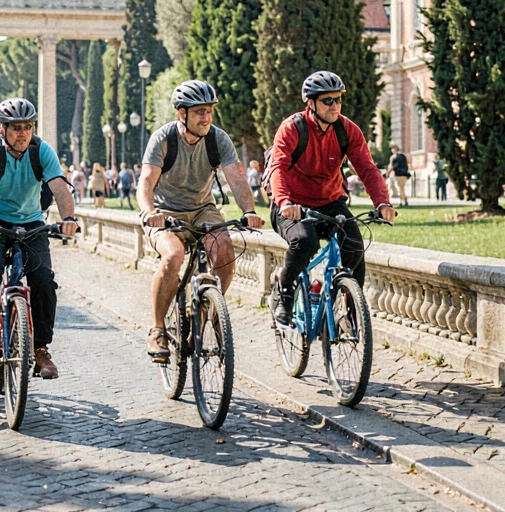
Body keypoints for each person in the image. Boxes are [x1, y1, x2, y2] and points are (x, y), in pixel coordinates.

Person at [139, 80, 264, 361]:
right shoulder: (163, 138)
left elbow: (236, 177)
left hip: (202, 209)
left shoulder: (217, 138)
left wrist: (249, 212)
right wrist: (149, 212)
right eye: (198, 112)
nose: (206, 117)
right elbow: (146, 180)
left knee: (225, 249)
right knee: (173, 255)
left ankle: (207, 310)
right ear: (181, 114)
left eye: (208, 111)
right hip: (165, 211)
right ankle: (157, 330)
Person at [265, 71, 396, 326]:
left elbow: (367, 168)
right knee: (304, 241)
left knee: (355, 245)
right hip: (292, 203)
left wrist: (382, 203)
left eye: (338, 99)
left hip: (330, 200)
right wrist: (284, 202)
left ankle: (349, 312)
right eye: (328, 100)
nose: (335, 105)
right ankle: (284, 292)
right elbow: (278, 167)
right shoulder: (293, 128)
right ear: (310, 103)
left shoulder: (347, 130)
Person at [0, 98, 79, 379]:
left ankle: (40, 349)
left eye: (28, 127)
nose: (23, 133)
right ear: (3, 130)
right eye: (16, 128)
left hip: (31, 221)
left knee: (43, 280)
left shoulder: (41, 151)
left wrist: (69, 219)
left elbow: (60, 190)